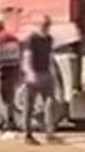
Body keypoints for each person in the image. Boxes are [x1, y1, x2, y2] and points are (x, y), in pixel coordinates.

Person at [22, 13, 59, 144]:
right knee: (29, 106)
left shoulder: (49, 39)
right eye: (44, 25)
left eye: (48, 25)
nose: (46, 27)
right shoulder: (31, 39)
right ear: (38, 25)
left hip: (45, 74)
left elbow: (49, 57)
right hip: (34, 74)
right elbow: (27, 57)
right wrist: (30, 73)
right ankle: (27, 134)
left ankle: (50, 134)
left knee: (50, 103)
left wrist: (52, 72)